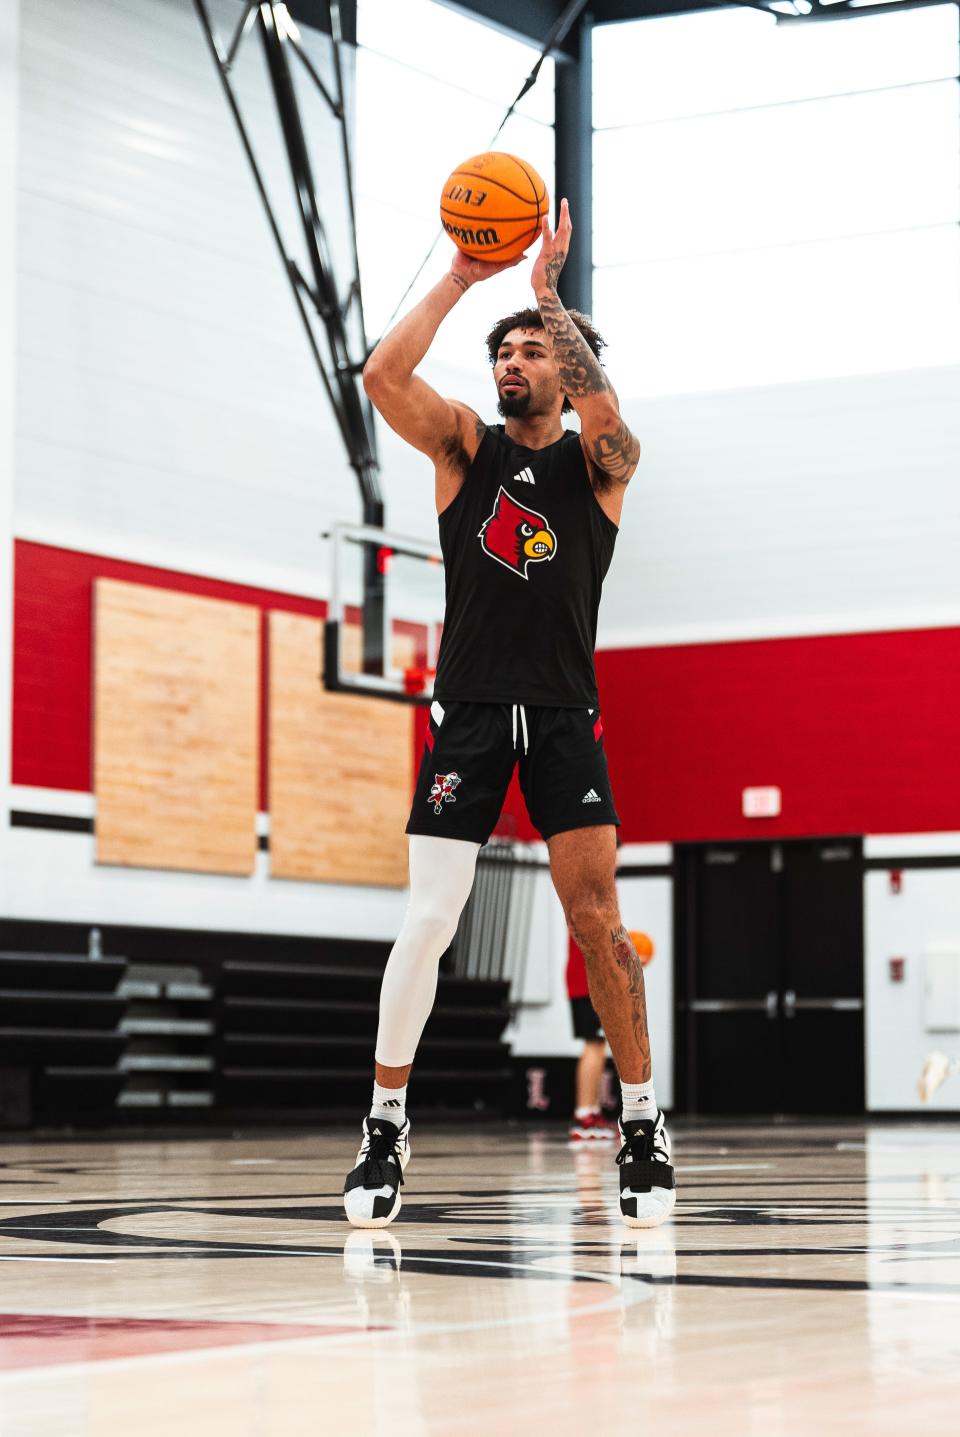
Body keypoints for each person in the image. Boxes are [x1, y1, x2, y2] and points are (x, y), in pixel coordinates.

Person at [343, 199, 675, 1231]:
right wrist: (460, 278)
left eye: (532, 353)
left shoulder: (596, 468)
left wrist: (549, 301)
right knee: (430, 920)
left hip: (566, 715)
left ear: (566, 368)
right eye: (507, 354)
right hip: (473, 712)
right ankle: (384, 1129)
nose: (513, 363)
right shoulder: (463, 449)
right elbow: (380, 380)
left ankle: (641, 1124)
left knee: (597, 925)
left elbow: (614, 425)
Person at [566, 928, 618, 1142]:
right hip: (588, 982)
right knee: (594, 1043)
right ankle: (584, 1115)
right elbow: (598, 943)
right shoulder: (588, 900)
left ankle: (592, 1111)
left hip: (590, 981)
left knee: (598, 1044)